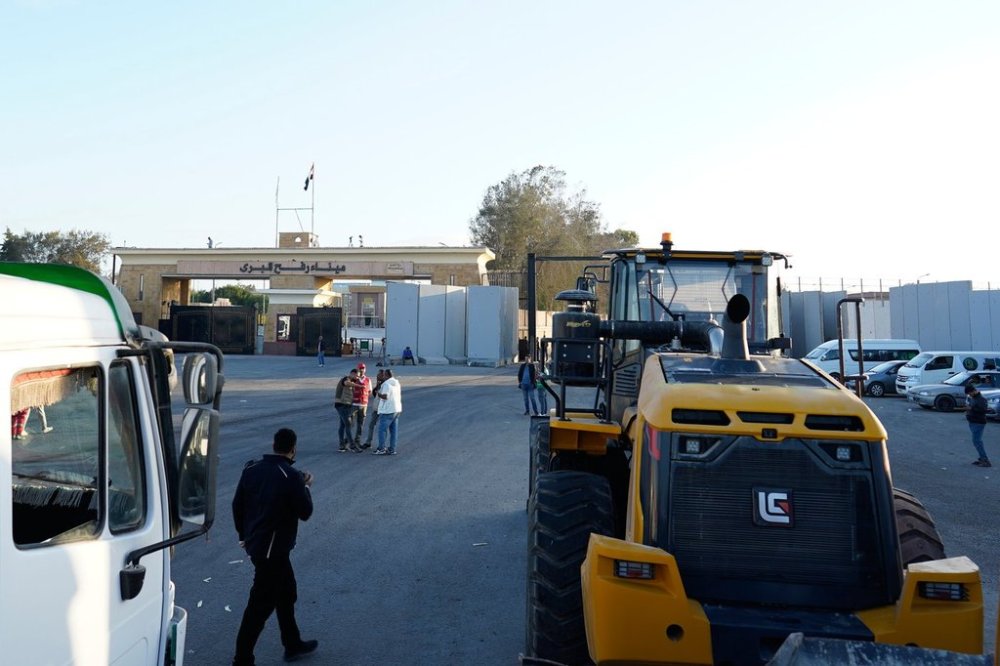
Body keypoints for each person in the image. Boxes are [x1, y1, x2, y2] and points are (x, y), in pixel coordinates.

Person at [232, 428, 318, 665]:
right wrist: (307, 486)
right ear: (293, 448)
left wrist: (243, 535)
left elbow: (237, 504)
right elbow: (305, 512)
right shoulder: (291, 476)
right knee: (259, 606)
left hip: (260, 545)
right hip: (272, 551)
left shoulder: (251, 469)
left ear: (273, 445)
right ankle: (242, 659)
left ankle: (292, 643)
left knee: (287, 592)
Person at [373, 369, 402, 456]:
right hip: (396, 409)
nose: (383, 376)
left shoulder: (386, 384)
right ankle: (392, 449)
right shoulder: (397, 383)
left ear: (386, 375)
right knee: (394, 431)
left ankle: (381, 448)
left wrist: (378, 394)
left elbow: (385, 396)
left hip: (387, 410)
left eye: (384, 375)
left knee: (382, 430)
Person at [965, 384, 991, 467]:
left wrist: (971, 409)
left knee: (977, 441)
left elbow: (983, 410)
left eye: (969, 393)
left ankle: (985, 459)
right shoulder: (974, 398)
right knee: (976, 441)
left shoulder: (981, 399)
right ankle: (982, 458)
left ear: (973, 391)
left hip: (978, 422)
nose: (969, 395)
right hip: (973, 421)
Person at [334, 370, 359, 452]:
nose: (357, 377)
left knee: (342, 425)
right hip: (341, 405)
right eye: (356, 376)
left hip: (345, 406)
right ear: (352, 374)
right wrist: (359, 386)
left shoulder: (351, 381)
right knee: (348, 424)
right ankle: (352, 445)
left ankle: (342, 445)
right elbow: (346, 383)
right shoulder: (346, 379)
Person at [362, 369, 386, 448]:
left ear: (383, 376)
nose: (377, 376)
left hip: (383, 409)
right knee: (371, 425)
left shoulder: (386, 384)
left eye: (379, 375)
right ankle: (368, 442)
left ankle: (382, 445)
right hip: (376, 408)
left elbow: (383, 396)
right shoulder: (379, 384)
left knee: (382, 428)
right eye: (377, 375)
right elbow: (374, 394)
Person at [350, 363, 372, 449]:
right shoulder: (354, 379)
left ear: (365, 369)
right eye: (360, 368)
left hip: (363, 404)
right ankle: (347, 440)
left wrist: (365, 399)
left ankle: (357, 441)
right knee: (351, 423)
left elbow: (369, 391)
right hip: (354, 404)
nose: (362, 370)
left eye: (363, 368)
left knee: (360, 424)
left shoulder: (368, 380)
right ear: (358, 369)